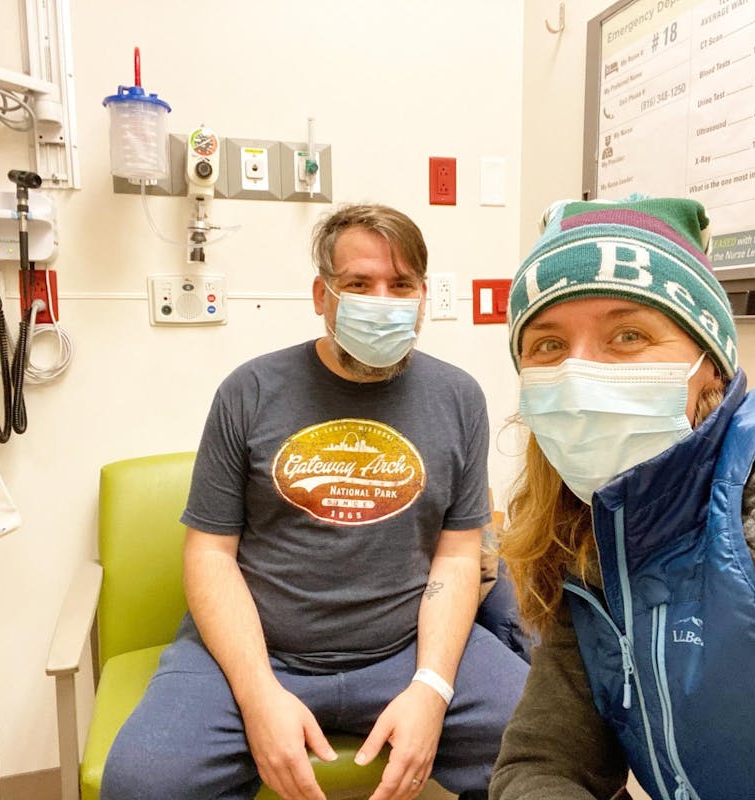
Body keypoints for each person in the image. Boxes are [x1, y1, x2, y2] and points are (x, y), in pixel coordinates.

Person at [101, 203, 530, 800]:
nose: (382, 300)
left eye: (400, 285)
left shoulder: (457, 398)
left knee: (551, 749)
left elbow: (458, 558)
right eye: (358, 284)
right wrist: (257, 697)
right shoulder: (250, 392)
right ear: (321, 295)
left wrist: (431, 689)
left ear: (423, 296)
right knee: (142, 784)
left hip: (406, 647)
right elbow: (210, 556)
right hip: (259, 651)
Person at [488, 196, 755, 800]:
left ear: (711, 366)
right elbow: (542, 761)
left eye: (629, 334)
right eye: (547, 345)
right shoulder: (587, 528)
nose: (578, 375)